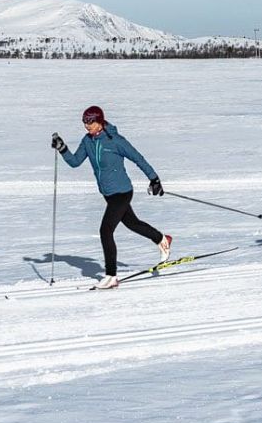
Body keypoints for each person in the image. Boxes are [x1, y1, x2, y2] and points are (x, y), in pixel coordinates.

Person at [52, 105, 172, 289]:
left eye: (90, 122)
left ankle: (111, 275)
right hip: (108, 194)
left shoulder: (116, 141)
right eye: (85, 123)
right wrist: (63, 149)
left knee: (105, 231)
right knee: (132, 223)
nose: (87, 126)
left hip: (122, 192)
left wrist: (154, 179)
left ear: (100, 122)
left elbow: (138, 158)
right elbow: (75, 162)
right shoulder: (87, 141)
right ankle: (162, 239)